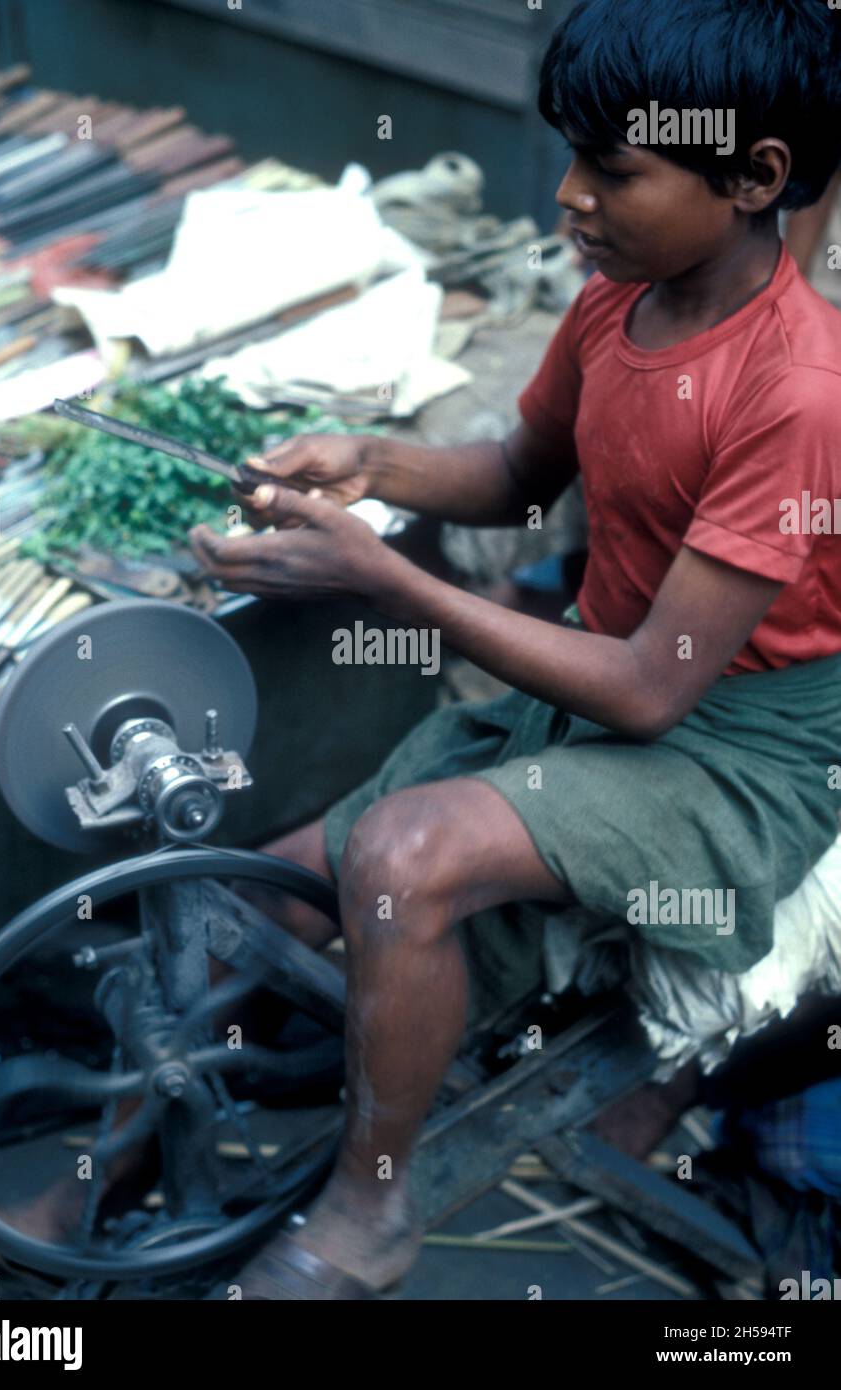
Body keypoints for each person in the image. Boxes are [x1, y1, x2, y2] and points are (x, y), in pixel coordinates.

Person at [188, 0, 841, 1298]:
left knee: (399, 852)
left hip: (739, 751)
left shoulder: (797, 396)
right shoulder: (620, 307)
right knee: (239, 885)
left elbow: (656, 691)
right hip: (607, 690)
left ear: (754, 178)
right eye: (571, 158)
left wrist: (380, 575)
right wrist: (368, 459)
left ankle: (368, 1211)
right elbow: (514, 472)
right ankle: (103, 1160)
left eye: (610, 169)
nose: (568, 197)